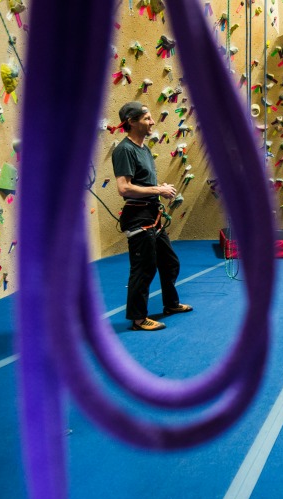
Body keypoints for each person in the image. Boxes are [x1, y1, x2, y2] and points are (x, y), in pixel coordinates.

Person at [112, 102, 193, 331]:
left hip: (152, 214)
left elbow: (142, 183)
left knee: (169, 263)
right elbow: (124, 188)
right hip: (138, 217)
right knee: (143, 268)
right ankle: (138, 319)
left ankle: (171, 304)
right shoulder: (124, 150)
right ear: (132, 121)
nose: (152, 122)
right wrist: (158, 190)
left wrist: (159, 187)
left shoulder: (144, 149)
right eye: (147, 118)